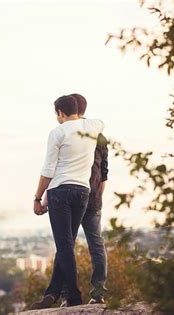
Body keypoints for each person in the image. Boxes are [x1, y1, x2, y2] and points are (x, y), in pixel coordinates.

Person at [30, 95, 104, 310]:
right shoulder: (93, 126)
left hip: (60, 192)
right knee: (67, 245)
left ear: (60, 113)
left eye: (57, 114)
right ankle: (52, 292)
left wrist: (37, 197)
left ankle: (72, 296)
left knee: (64, 246)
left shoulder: (57, 132)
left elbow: (48, 170)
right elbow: (98, 121)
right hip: (82, 192)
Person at [55, 93, 109, 306]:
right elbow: (104, 172)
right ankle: (98, 292)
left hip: (72, 196)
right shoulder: (98, 134)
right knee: (96, 244)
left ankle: (66, 295)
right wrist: (97, 197)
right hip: (92, 196)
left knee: (65, 246)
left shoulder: (67, 133)